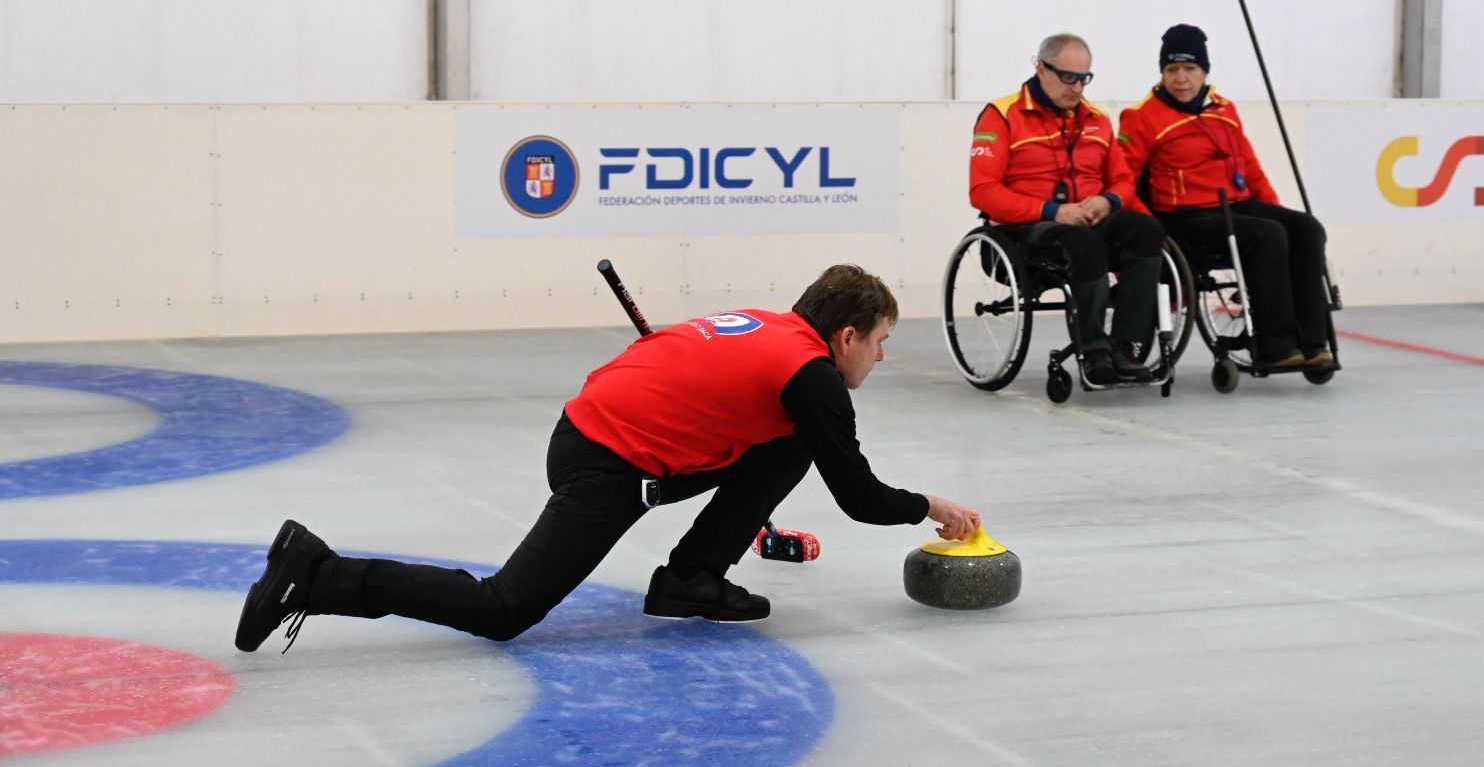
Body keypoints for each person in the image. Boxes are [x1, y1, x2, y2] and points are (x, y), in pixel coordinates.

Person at [234, 264, 981, 653]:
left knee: (789, 441)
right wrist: (930, 507)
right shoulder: (814, 377)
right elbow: (857, 495)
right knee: (504, 611)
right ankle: (321, 572)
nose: (882, 357)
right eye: (881, 341)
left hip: (594, 424)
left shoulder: (771, 326)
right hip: (607, 461)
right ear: (846, 334)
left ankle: (691, 578)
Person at [1118, 24, 1331, 368]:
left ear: (1205, 71)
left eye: (1190, 69)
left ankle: (1314, 342)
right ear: (1162, 73)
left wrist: (1273, 210)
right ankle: (1275, 348)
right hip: (1186, 216)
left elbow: (1249, 166)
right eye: (1172, 70)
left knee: (1306, 228)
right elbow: (1123, 177)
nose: (1181, 78)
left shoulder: (1224, 109)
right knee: (1268, 234)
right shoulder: (1142, 117)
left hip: (1236, 206)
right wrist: (1147, 226)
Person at [969, 32, 1165, 384]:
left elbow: (1123, 180)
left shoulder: (1097, 118)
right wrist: (1051, 210)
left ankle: (1128, 345)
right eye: (1067, 77)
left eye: (1084, 78)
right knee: (1083, 244)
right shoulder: (1001, 115)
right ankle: (1094, 351)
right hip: (1028, 227)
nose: (1076, 87)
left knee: (1147, 231)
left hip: (1088, 219)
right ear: (1041, 68)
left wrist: (1108, 201)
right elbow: (982, 192)